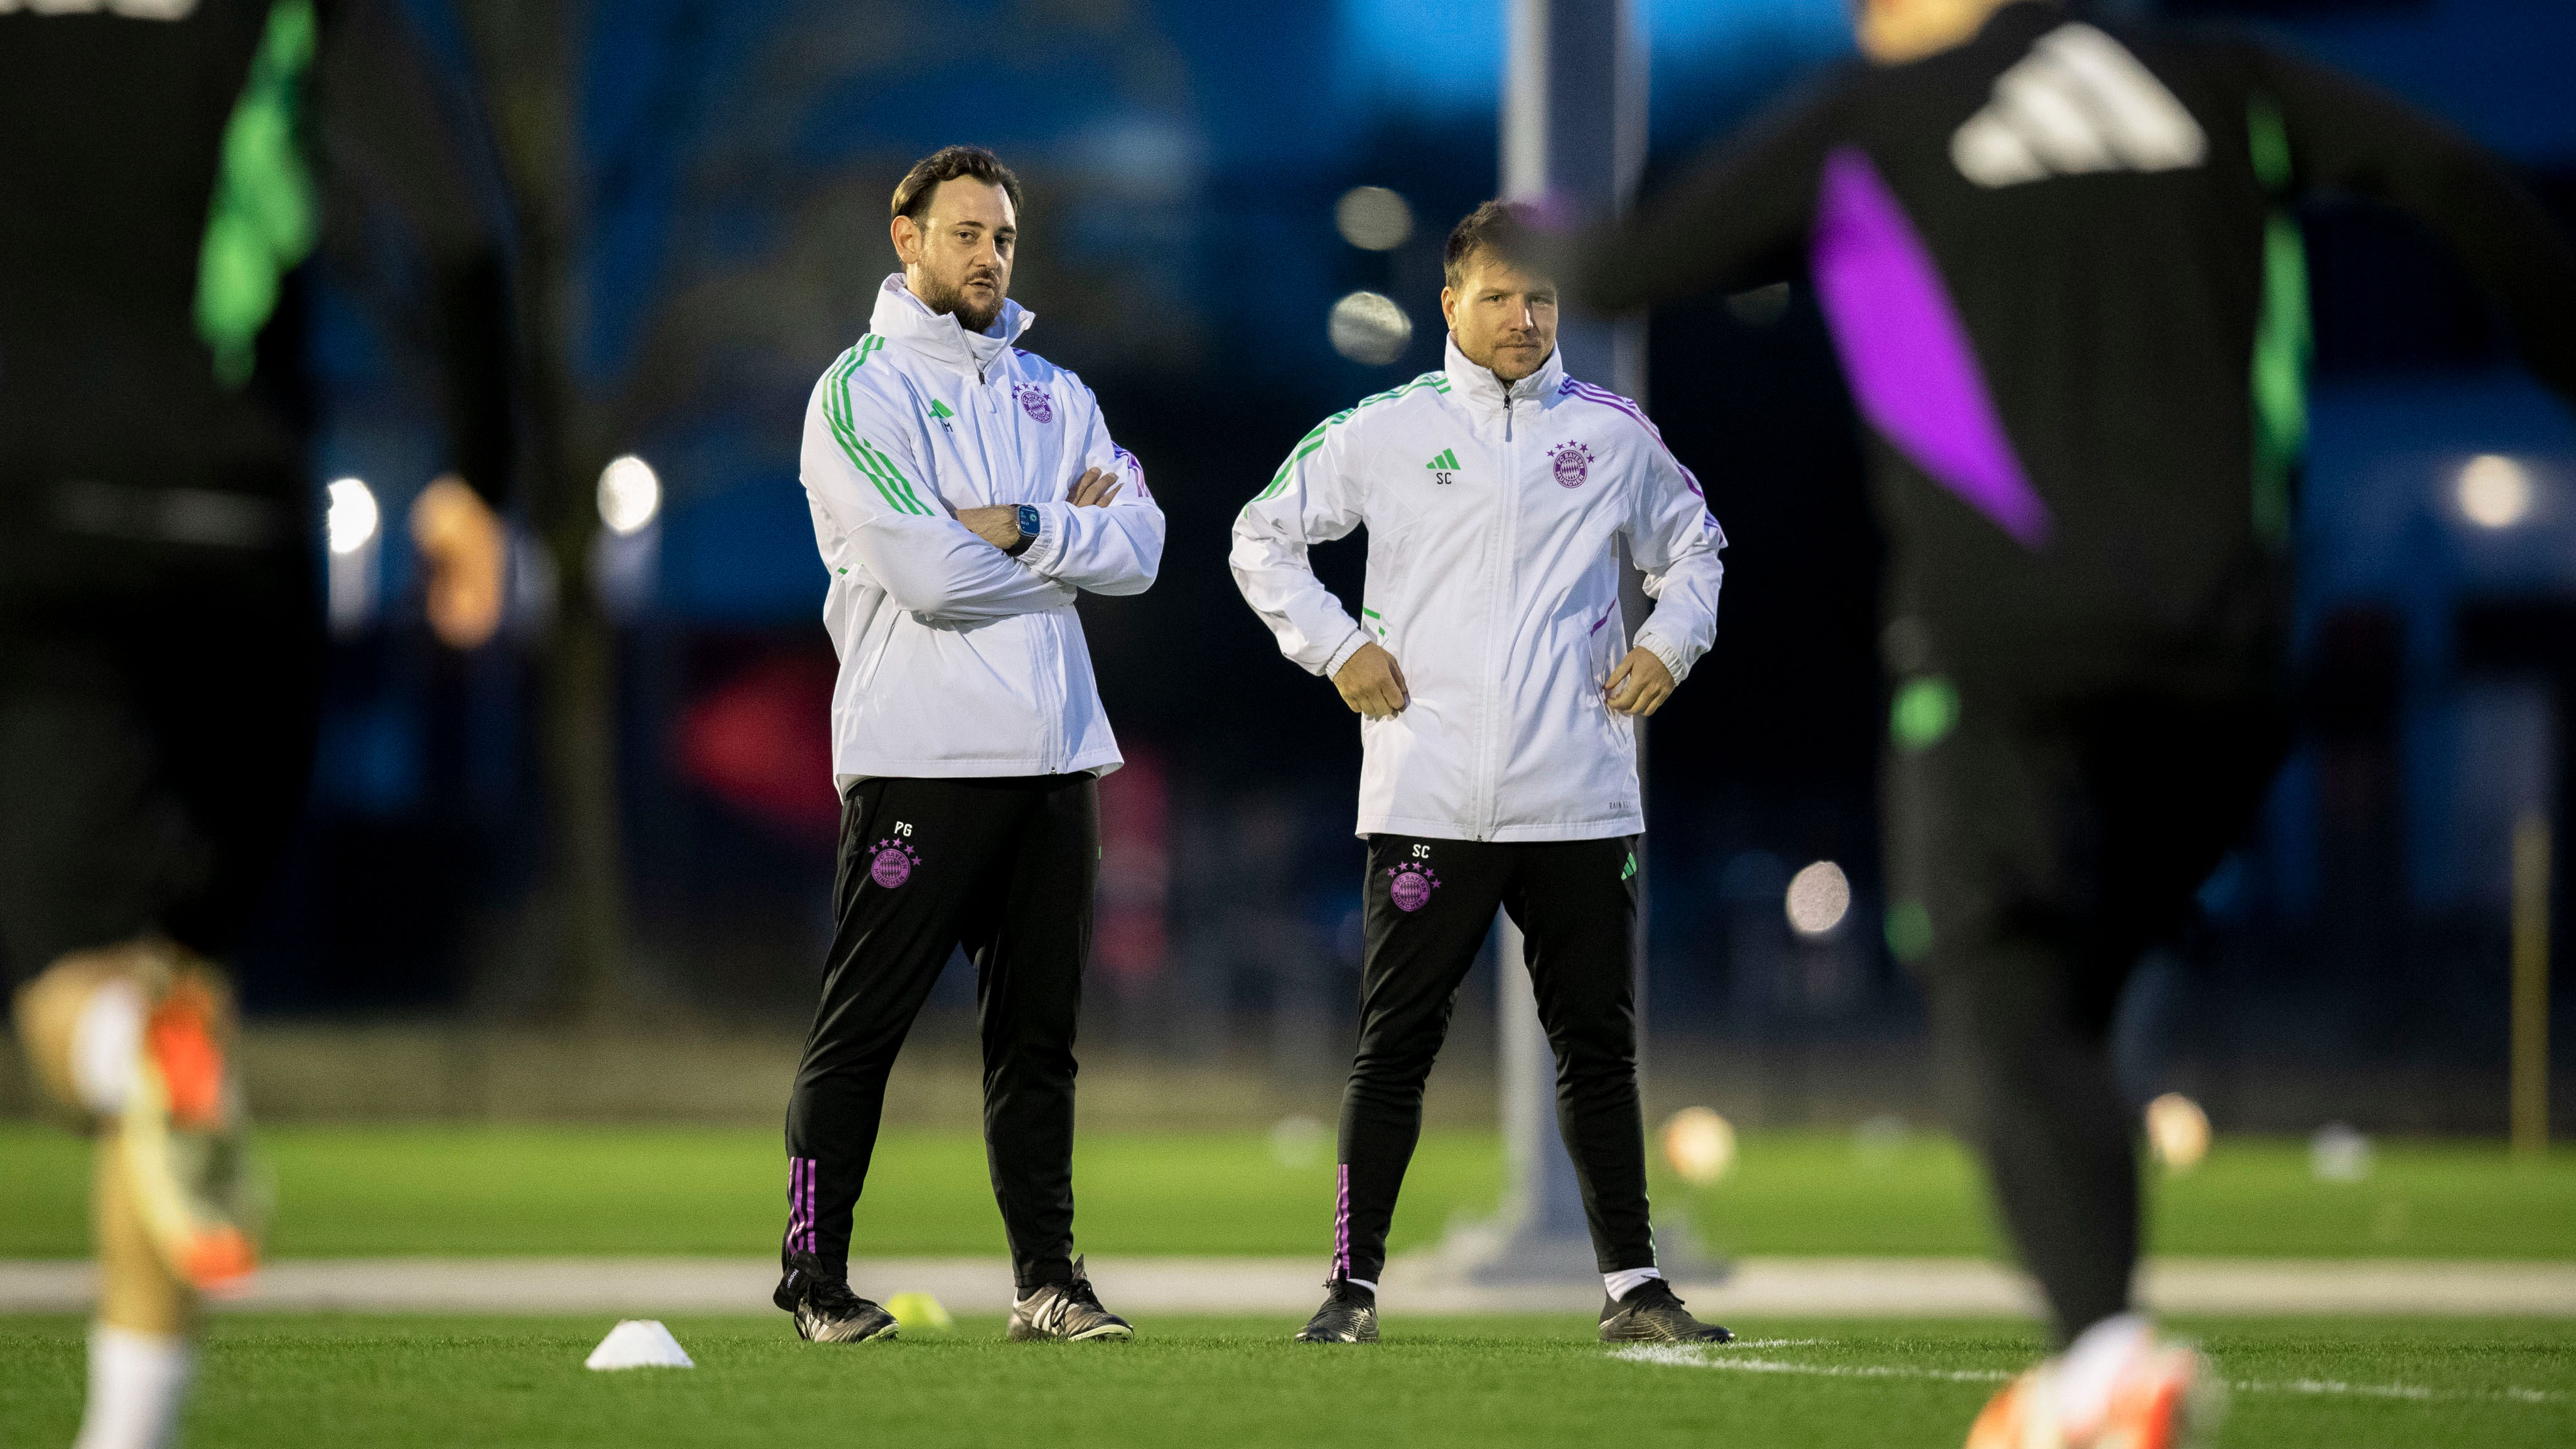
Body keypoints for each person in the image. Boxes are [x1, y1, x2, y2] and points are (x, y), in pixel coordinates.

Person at [1537, 0, 2576, 1441]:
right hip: (2232, 656)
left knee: (2002, 982)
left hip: (2007, 650)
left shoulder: (1875, 121)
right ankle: (2098, 1351)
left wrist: (1527, 227)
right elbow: (2461, 177)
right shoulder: (2228, 74)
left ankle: (2105, 1349)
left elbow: (1634, 261)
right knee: (2072, 999)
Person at [1, 3, 514, 1446]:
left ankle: (116, 1051)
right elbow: (463, 234)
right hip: (246, 540)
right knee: (184, 993)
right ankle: (131, 1429)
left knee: (78, 997)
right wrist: (477, 472)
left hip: (37, 529)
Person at [1232, 202, 1732, 1346]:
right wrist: (1337, 647)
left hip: (1579, 795)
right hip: (1429, 793)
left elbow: (1696, 545)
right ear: (1449, 303)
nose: (1525, 317)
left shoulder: (1611, 433)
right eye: (1501, 296)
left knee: (1597, 1052)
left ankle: (1633, 1290)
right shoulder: (1383, 429)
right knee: (1394, 1048)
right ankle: (1351, 1291)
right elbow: (1260, 536)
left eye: (1543, 296)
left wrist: (1669, 642)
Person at [776, 144, 1164, 1344]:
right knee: (865, 1027)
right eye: (964, 233)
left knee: (1038, 1045)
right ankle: (812, 1277)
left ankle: (1048, 1282)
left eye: (1001, 236)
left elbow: (1143, 550)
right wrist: (1062, 553)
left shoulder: (1059, 392)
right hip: (920, 756)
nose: (988, 255)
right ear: (907, 239)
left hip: (1055, 757)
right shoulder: (861, 391)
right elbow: (928, 579)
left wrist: (1023, 524)